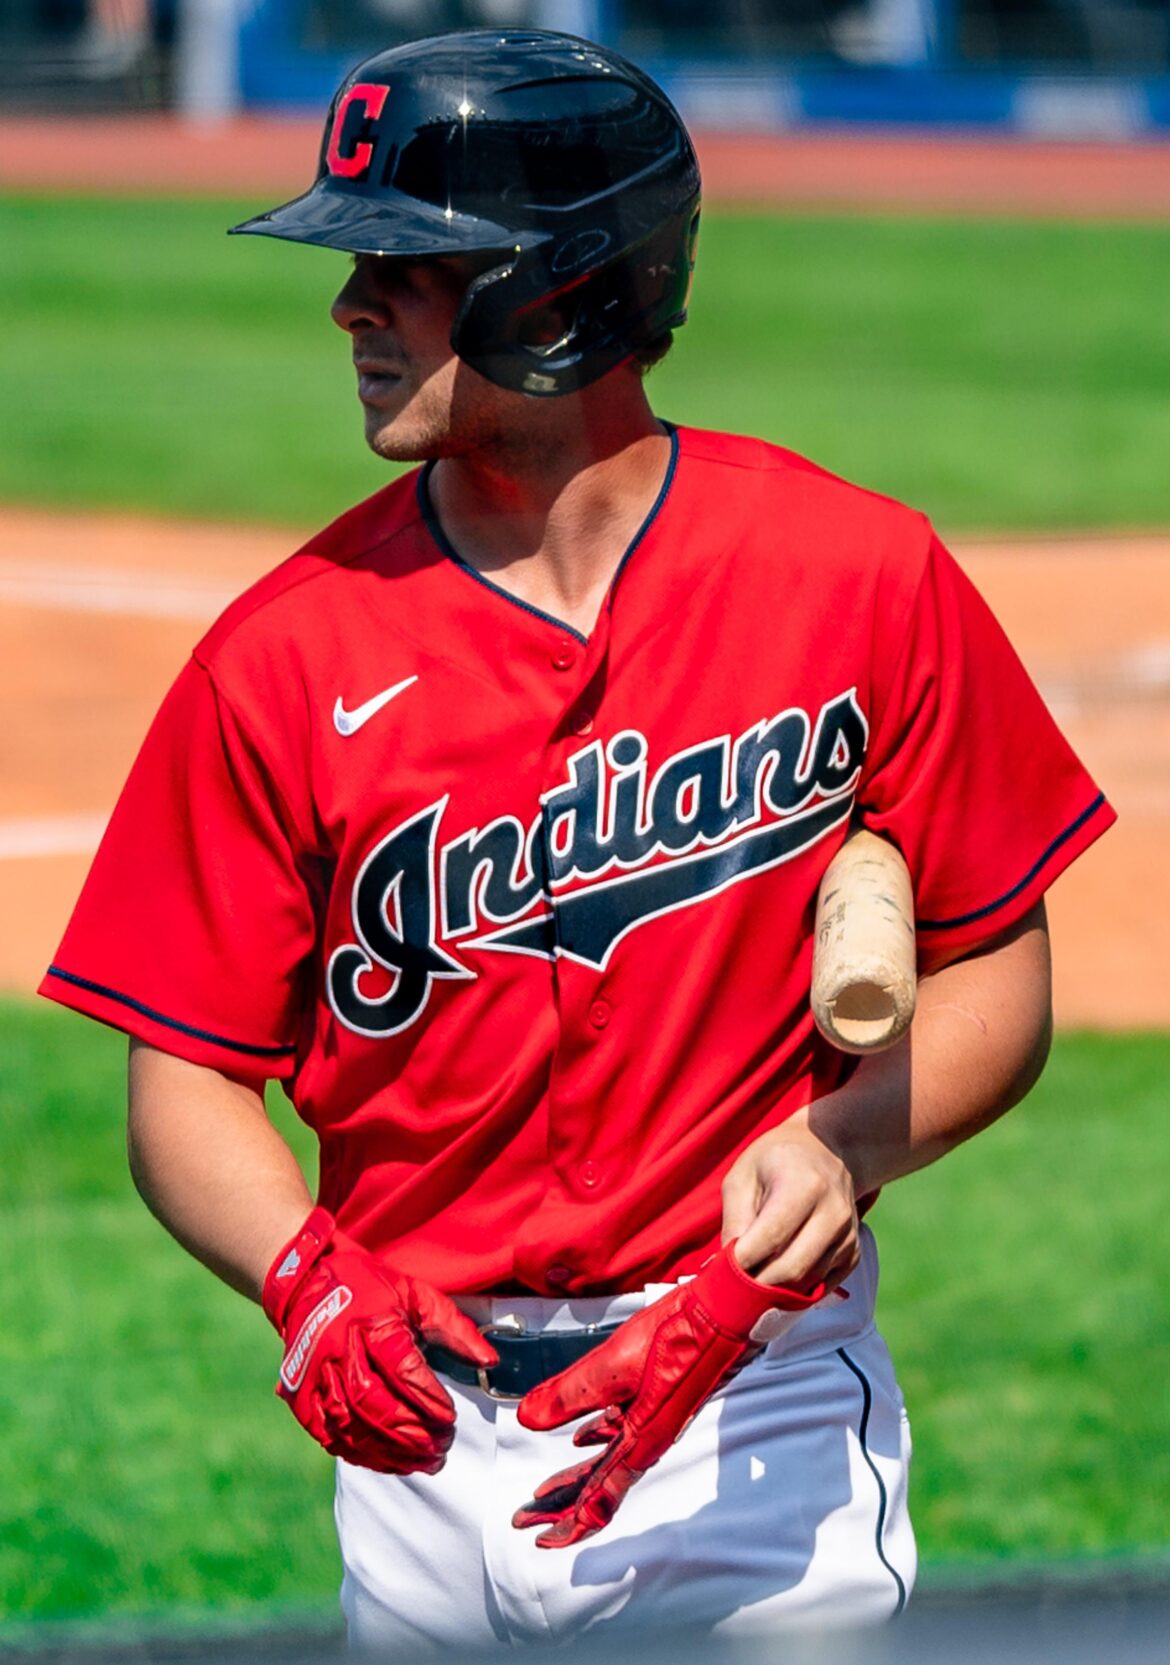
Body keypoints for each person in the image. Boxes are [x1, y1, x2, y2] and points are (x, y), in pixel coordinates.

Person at [41, 28, 1113, 1650]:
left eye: (404, 269)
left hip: (750, 1395)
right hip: (415, 1427)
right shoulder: (281, 656)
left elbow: (995, 975)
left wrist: (839, 1148)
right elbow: (182, 1073)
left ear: (560, 295)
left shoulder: (853, 578)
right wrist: (301, 1270)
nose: (350, 309)